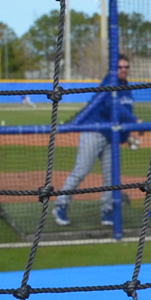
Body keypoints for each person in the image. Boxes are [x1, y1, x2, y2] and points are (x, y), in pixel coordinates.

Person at [55, 55, 138, 228]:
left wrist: (127, 135)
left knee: (111, 177)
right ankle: (60, 205)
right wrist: (135, 121)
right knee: (81, 171)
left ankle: (107, 212)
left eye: (126, 67)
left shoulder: (127, 88)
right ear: (113, 69)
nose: (124, 70)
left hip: (111, 137)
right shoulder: (108, 84)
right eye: (120, 67)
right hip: (94, 131)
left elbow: (122, 117)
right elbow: (112, 107)